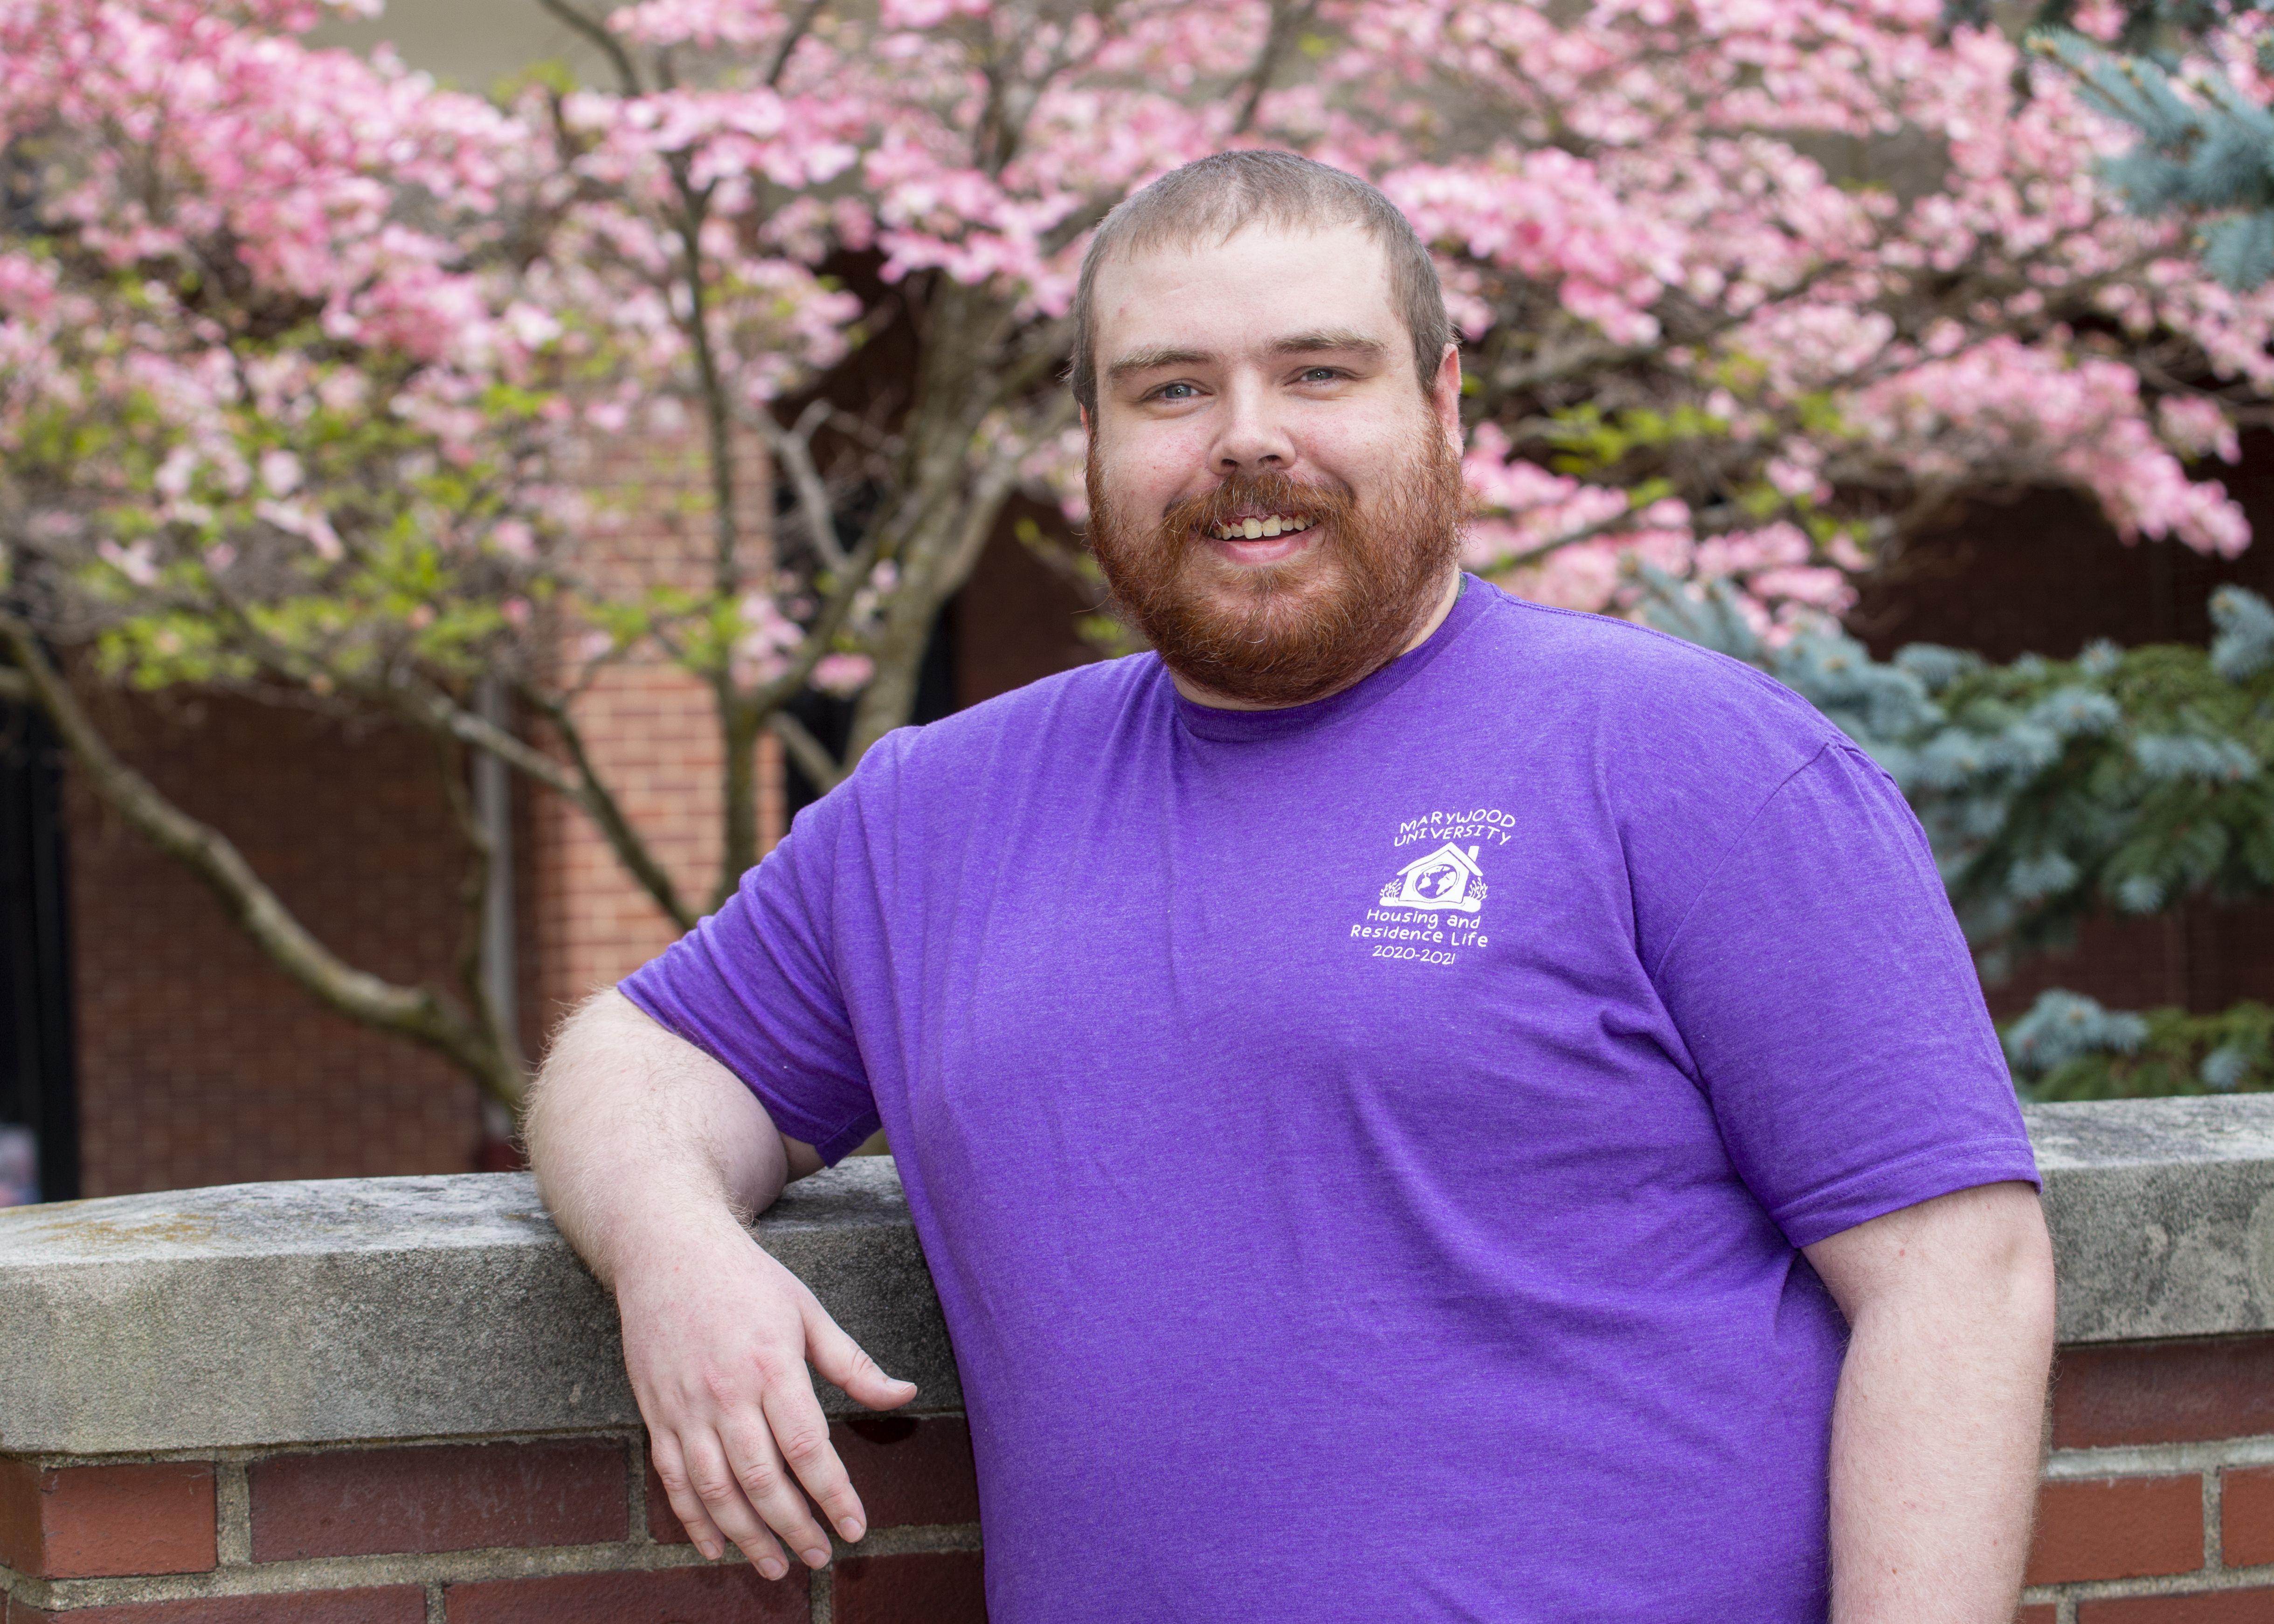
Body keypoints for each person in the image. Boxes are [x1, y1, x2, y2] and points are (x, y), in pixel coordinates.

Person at [526, 151, 2057, 1623]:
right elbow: (638, 1057)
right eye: (1173, 388)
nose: (1247, 437)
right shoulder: (938, 812)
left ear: (1445, 402)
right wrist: (673, 1247)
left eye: (1320, 372)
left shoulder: (1696, 761)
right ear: (1091, 437)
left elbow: (1957, 1280)